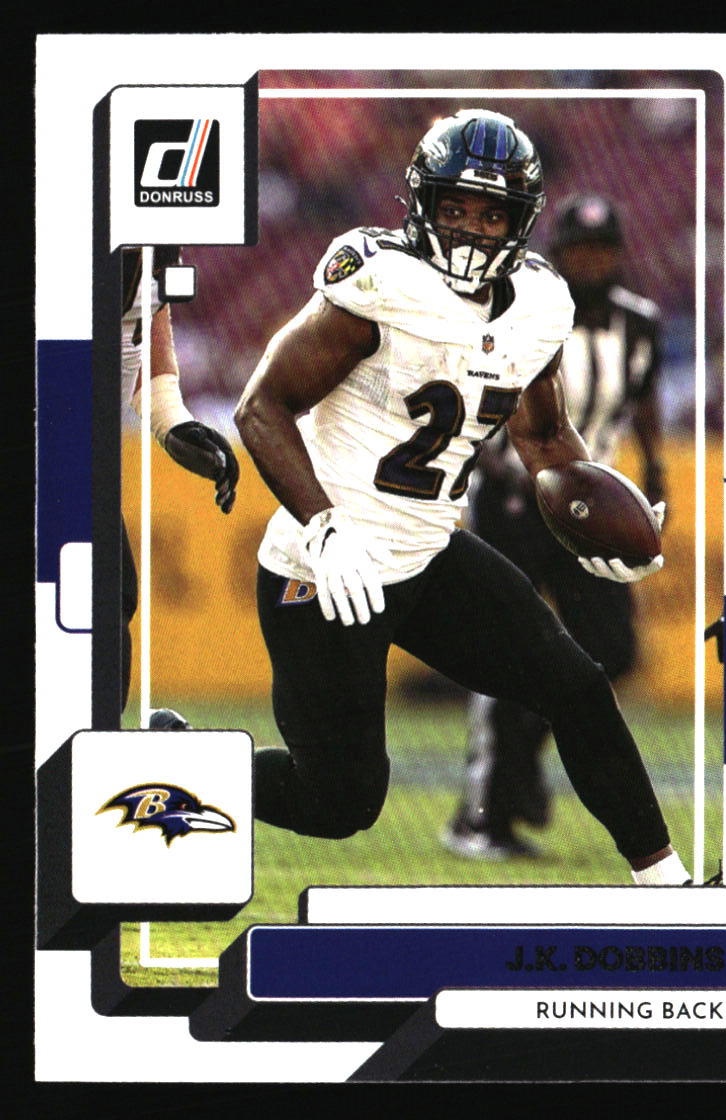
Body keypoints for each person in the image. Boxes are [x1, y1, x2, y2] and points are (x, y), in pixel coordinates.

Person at [235, 108, 692, 885]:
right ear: (423, 204)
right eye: (455, 208)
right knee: (338, 801)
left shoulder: (539, 305)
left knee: (578, 687)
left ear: (521, 221)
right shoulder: (379, 283)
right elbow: (261, 408)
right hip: (329, 571)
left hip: (430, 553)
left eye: (491, 214)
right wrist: (324, 529)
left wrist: (596, 516)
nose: (471, 229)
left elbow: (544, 437)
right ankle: (174, 767)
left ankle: (669, 887)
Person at [443, 193, 668, 860]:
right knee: (506, 647)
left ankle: (521, 768)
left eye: (601, 251)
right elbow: (478, 396)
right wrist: (489, 465)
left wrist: (654, 471)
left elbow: (642, 399)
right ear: (559, 254)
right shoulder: (525, 312)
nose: (590, 262)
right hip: (512, 500)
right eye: (579, 251)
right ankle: (482, 816)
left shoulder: (639, 323)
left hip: (588, 506)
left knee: (610, 647)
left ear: (617, 256)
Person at [120, 246, 240, 722]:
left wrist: (171, 418)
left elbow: (138, 323)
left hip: (78, 459)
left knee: (108, 600)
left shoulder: (146, 245)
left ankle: (86, 742)